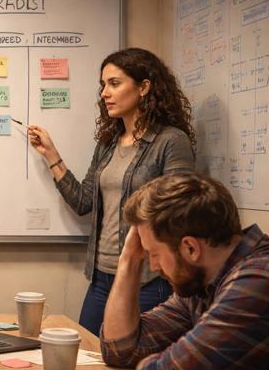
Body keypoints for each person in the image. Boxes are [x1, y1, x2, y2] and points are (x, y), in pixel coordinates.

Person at [27, 47, 196, 336]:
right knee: (87, 354)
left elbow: (177, 213)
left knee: (128, 362)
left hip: (147, 279)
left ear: (144, 87)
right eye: (103, 85)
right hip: (101, 277)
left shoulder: (171, 141)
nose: (105, 93)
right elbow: (83, 202)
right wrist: (51, 155)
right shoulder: (108, 144)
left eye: (114, 84)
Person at [101, 172, 269, 370]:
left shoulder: (257, 283)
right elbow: (120, 350)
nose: (153, 266)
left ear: (190, 248)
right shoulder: (202, 283)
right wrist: (129, 260)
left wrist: (164, 364)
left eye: (153, 254)